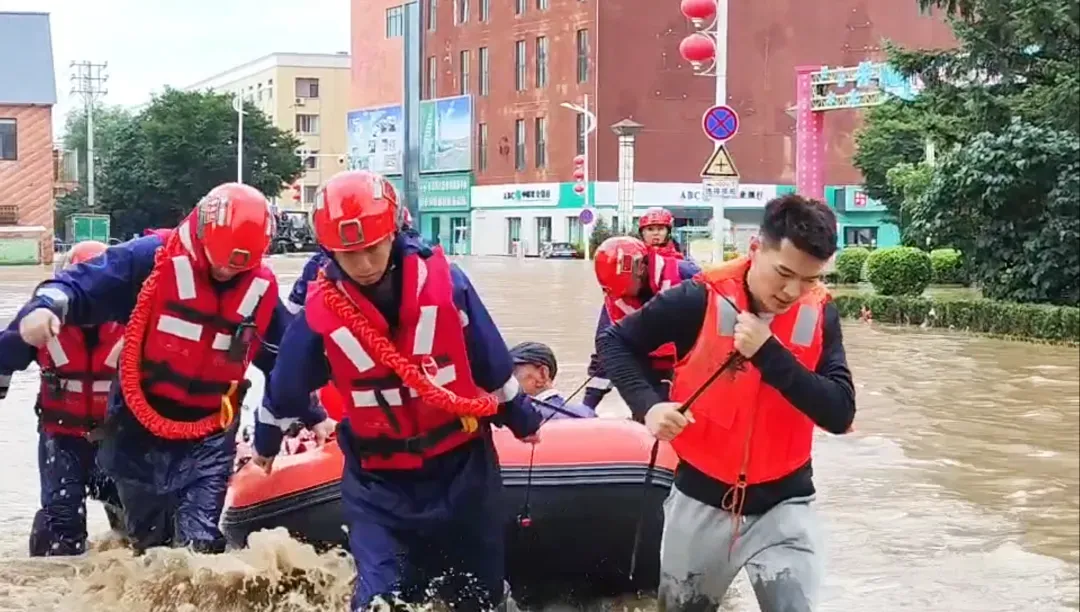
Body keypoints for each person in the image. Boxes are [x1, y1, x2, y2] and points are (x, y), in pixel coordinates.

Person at [253, 170, 543, 612]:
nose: (365, 264)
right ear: (331, 252)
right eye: (351, 255)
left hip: (462, 467)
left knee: (478, 597)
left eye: (373, 248)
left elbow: (491, 362)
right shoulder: (320, 311)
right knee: (380, 601)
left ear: (393, 233)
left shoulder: (450, 284)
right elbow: (286, 385)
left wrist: (523, 419)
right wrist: (266, 442)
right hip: (378, 481)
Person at [596, 194, 857, 611]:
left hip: (785, 505)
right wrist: (649, 406)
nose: (793, 292)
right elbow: (616, 342)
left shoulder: (820, 312)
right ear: (756, 249)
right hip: (701, 499)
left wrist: (769, 353)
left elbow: (840, 413)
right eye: (784, 273)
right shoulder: (697, 298)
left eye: (808, 280)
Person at [13, 183, 292, 555]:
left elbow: (290, 359)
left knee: (199, 547)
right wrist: (44, 307)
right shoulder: (151, 259)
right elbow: (85, 282)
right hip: (137, 429)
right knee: (149, 545)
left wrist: (308, 414)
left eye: (237, 266)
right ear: (204, 232)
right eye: (221, 261)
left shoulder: (259, 287)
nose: (226, 272)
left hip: (209, 433)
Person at [0, 241, 125, 556]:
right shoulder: (39, 320)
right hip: (62, 439)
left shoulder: (137, 324)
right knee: (61, 526)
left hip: (120, 443)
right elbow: (4, 355)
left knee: (141, 529)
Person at [583, 236, 699, 413]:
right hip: (648, 383)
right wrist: (587, 406)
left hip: (691, 371)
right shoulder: (616, 299)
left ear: (640, 267)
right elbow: (606, 351)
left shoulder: (686, 275)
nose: (623, 296)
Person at [509, 341, 595, 420]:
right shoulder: (586, 412)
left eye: (513, 373)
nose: (506, 381)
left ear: (542, 374)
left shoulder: (522, 418)